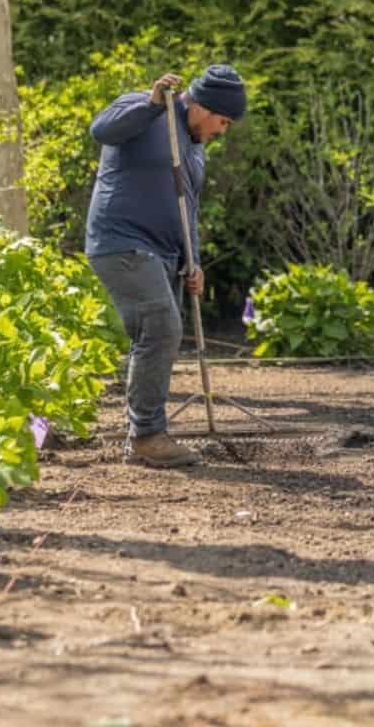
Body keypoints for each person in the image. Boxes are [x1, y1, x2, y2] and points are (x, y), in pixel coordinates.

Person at [85, 63, 247, 467]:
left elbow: (186, 205)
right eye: (222, 121)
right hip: (120, 241)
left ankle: (143, 435)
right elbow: (101, 130)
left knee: (158, 334)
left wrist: (193, 260)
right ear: (203, 106)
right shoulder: (146, 107)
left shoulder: (193, 147)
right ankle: (146, 437)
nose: (222, 131)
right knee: (161, 325)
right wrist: (153, 104)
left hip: (165, 254)